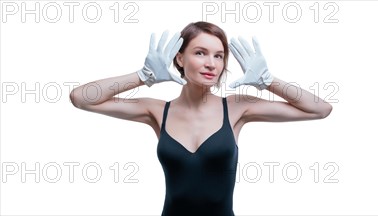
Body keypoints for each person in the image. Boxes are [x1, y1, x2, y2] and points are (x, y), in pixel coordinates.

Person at [69, 21, 332, 215]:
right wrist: (143, 76)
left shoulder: (238, 108)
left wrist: (269, 81)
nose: (212, 64)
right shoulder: (157, 111)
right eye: (200, 53)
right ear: (180, 58)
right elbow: (81, 98)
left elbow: (320, 109)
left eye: (219, 56)